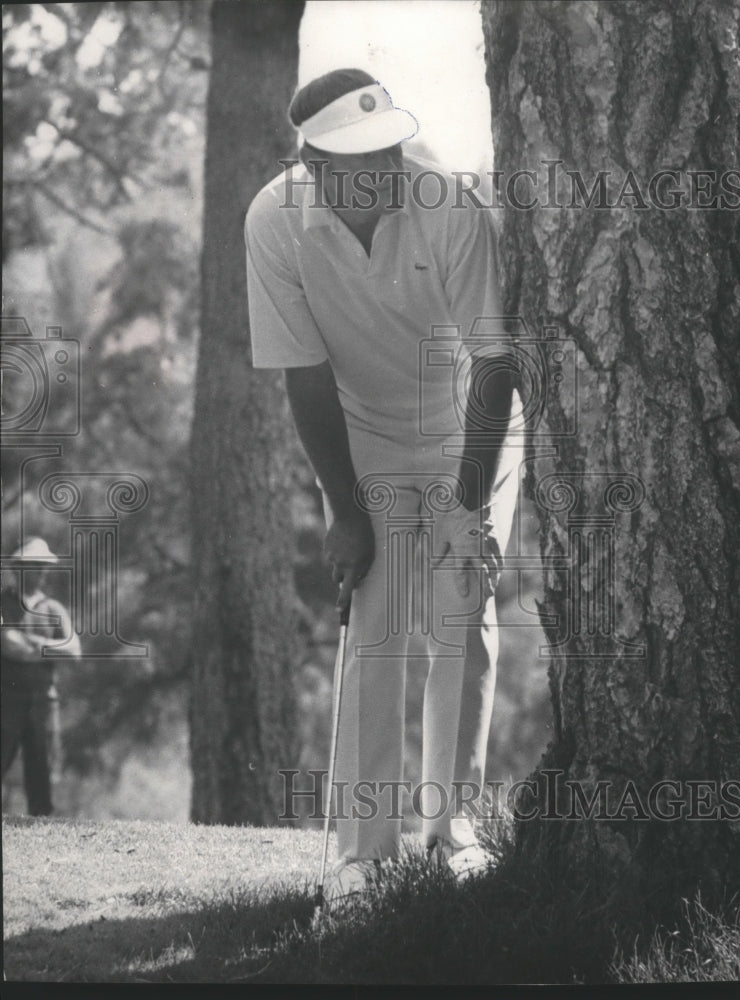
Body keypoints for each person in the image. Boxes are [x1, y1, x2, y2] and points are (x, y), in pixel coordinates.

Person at [245, 69, 523, 897]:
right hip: (363, 428)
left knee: (457, 610)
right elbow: (303, 376)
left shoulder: (446, 202)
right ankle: (362, 854)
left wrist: (468, 505)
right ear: (314, 163)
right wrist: (347, 513)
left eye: (390, 145)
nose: (385, 164)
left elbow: (495, 362)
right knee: (375, 622)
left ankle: (451, 829)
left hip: (468, 423)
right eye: (360, 156)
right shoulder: (272, 219)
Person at [1, 537, 81, 816]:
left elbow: (74, 650)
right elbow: (10, 647)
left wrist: (34, 643)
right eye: (35, 564)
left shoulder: (53, 609)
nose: (42, 571)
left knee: (42, 774)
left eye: (44, 566)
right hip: (6, 702)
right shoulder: (3, 604)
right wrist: (49, 648)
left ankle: (42, 828)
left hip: (44, 704)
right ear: (17, 568)